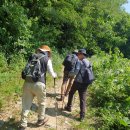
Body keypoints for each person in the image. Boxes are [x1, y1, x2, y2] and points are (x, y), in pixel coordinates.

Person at [20, 45, 57, 130]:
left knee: (26, 104)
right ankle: (40, 120)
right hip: (39, 84)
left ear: (39, 50)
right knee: (41, 103)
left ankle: (23, 124)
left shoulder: (32, 57)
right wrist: (55, 75)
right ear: (47, 52)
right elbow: (51, 73)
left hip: (27, 83)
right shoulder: (47, 59)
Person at [64, 49, 91, 121]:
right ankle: (82, 116)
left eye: (78, 54)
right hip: (86, 82)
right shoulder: (89, 62)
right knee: (82, 99)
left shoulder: (80, 62)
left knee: (71, 92)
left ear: (82, 54)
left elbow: (76, 71)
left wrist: (69, 74)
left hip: (78, 81)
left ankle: (69, 106)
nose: (77, 55)